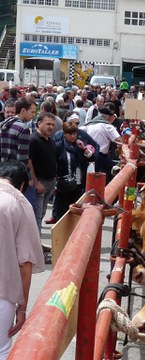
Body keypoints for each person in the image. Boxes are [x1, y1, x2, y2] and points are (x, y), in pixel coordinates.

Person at [0, 160, 44, 359]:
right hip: (3, 292)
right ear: (22, 185)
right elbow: (25, 263)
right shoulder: (18, 203)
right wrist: (22, 308)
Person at [54, 122, 95, 220]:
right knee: (62, 211)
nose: (73, 136)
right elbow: (55, 163)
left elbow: (92, 158)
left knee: (75, 210)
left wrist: (84, 148)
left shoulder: (79, 146)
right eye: (70, 134)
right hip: (63, 184)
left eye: (75, 134)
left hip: (78, 183)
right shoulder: (59, 146)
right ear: (64, 134)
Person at [29, 112, 58, 233]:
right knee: (36, 216)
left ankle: (37, 244)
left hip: (50, 182)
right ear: (39, 123)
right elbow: (29, 161)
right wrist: (35, 181)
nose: (50, 127)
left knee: (42, 213)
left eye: (52, 124)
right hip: (39, 183)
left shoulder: (50, 141)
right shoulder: (33, 140)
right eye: (48, 124)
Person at [81, 102, 121, 182]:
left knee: (88, 180)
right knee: (116, 171)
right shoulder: (108, 127)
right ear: (109, 117)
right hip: (100, 157)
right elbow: (119, 141)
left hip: (87, 156)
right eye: (113, 116)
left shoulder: (88, 125)